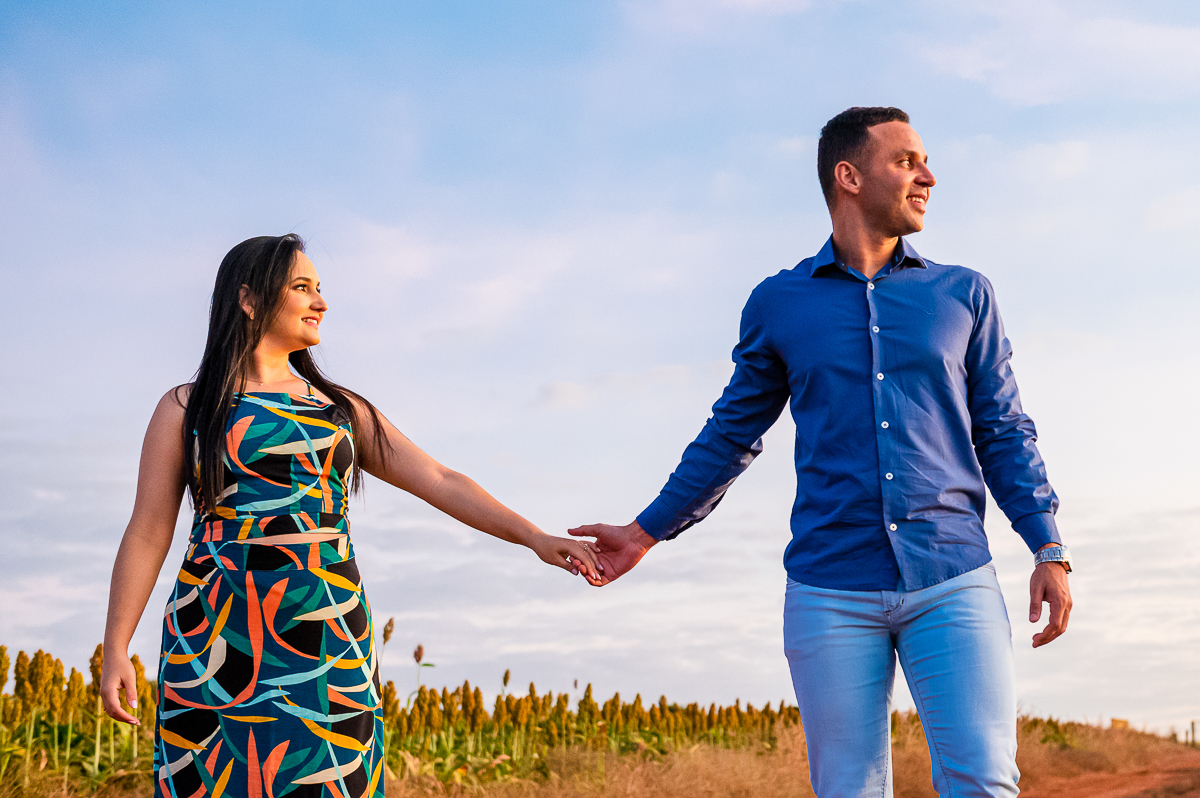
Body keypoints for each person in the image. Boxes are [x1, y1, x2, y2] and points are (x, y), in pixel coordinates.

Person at [571, 107, 1073, 797]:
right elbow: (730, 436)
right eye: (906, 161)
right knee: (847, 789)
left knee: (983, 783)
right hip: (829, 589)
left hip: (953, 578)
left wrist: (1047, 546)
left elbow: (1004, 429)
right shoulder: (779, 303)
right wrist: (644, 532)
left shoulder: (964, 294)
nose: (928, 177)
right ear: (849, 176)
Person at [100, 234, 602, 798]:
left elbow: (439, 479)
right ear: (249, 299)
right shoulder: (186, 408)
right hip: (216, 634)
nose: (321, 302)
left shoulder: (339, 410)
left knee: (333, 777)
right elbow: (148, 531)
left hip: (325, 630)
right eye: (302, 287)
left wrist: (534, 537)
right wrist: (116, 645)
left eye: (320, 288)